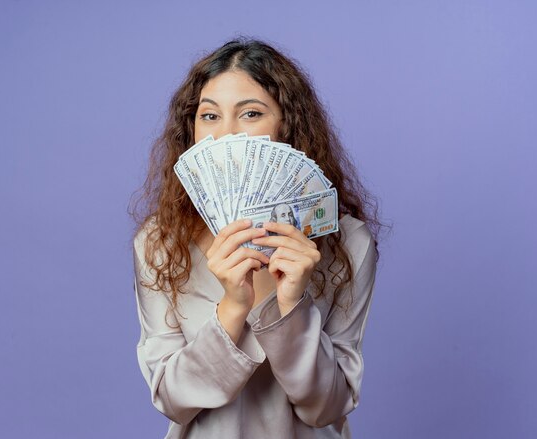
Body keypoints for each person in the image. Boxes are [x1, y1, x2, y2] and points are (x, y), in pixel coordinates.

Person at [129, 38, 384, 439]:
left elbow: (328, 407)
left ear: (287, 125)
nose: (226, 136)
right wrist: (233, 307)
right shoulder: (160, 244)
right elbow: (172, 400)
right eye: (209, 116)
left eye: (250, 113)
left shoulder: (347, 243)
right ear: (191, 129)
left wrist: (292, 305)